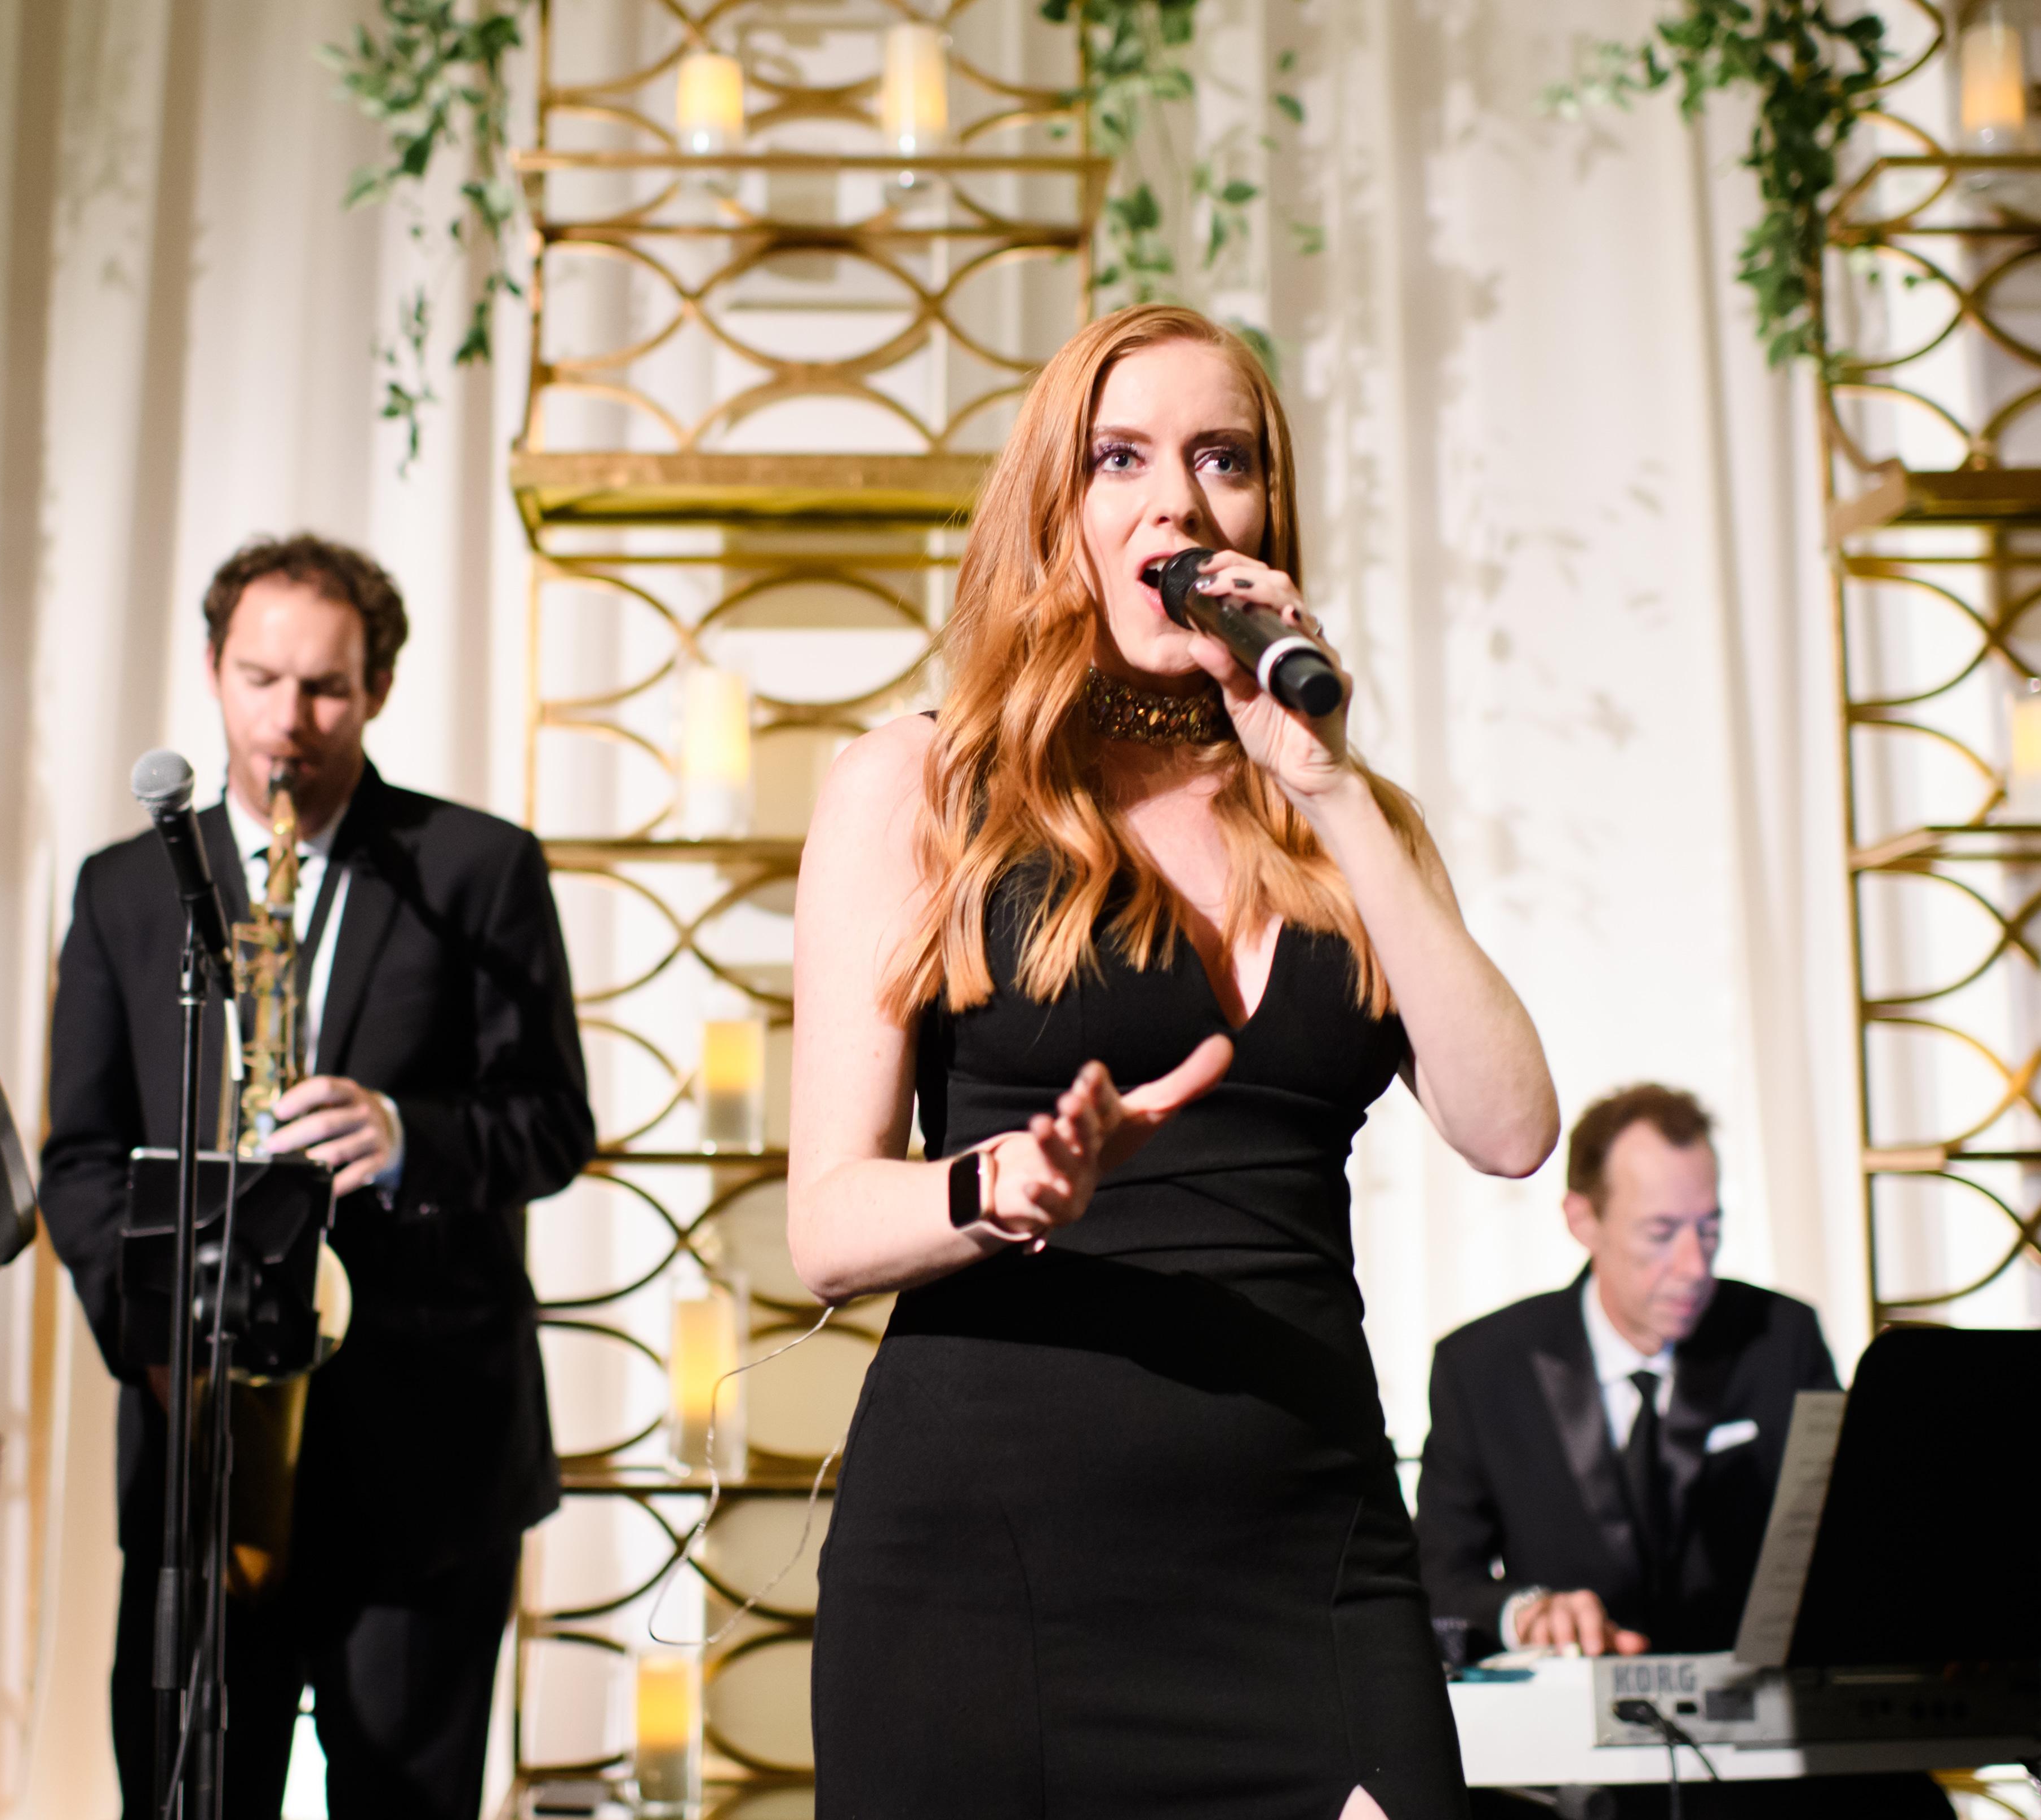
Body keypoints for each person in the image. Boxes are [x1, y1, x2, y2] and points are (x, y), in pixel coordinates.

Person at [790, 303, 1560, 1819]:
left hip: (1307, 1553)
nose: (1177, 504)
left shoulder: (1344, 819)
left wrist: (1326, 783)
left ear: (1265, 512)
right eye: (1119, 459)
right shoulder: (919, 784)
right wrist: (1006, 1181)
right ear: (1055, 509)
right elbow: (823, 1224)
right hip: (984, 1573)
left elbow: (1511, 1124)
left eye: (1222, 459)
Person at [41, 533, 593, 1820]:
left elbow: (553, 1125)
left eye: (326, 688)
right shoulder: (125, 889)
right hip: (199, 1448)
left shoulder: (479, 867)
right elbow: (79, 1159)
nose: (288, 720)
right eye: (260, 678)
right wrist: (160, 1335)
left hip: (423, 1451)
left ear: (379, 688)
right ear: (211, 669)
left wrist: (407, 1136)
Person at [1417, 1085, 1945, 1819]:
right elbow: (1438, 1578)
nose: (1695, 1266)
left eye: (1710, 1228)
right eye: (1661, 1233)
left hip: (1770, 1764)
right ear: (1582, 1219)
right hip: (1568, 1777)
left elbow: (1856, 1539)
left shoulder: (1780, 1336)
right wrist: (1526, 1614)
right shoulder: (1482, 1365)